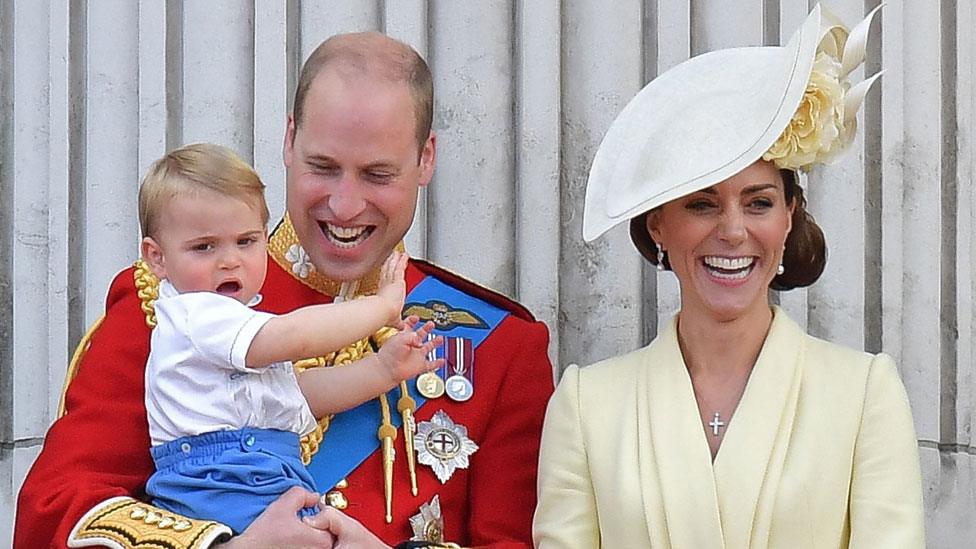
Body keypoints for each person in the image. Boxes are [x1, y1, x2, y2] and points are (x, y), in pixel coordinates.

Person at [15, 32, 554, 549]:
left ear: (426, 160)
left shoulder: (501, 348)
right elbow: (54, 513)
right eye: (324, 167)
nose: (344, 206)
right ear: (289, 139)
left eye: (377, 175)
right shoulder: (173, 303)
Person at [533, 5, 925, 548]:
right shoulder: (586, 404)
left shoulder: (864, 394)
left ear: (790, 217)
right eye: (702, 204)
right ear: (659, 226)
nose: (734, 231)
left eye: (758, 202)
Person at [136, 142, 443, 534]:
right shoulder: (197, 313)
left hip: (256, 475)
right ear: (157, 258)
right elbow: (296, 337)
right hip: (225, 480)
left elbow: (303, 393)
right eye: (204, 247)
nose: (229, 260)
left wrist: (383, 369)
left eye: (245, 242)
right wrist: (382, 308)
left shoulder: (231, 326)